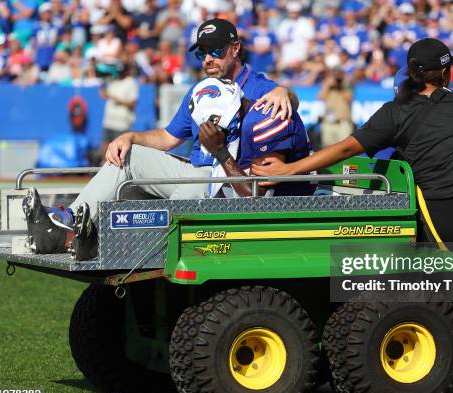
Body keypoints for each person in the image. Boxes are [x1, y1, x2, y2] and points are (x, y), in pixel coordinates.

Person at [252, 37, 453, 341]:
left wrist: (288, 170)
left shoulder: (392, 113)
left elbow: (344, 149)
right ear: (445, 73)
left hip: (441, 221)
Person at [22, 18, 298, 260]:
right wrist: (130, 136)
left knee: (193, 188)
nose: (208, 59)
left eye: (216, 50)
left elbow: (288, 103)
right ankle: (67, 224)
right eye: (202, 53)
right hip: (196, 171)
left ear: (236, 48)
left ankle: (117, 245)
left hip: (226, 183)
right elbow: (167, 138)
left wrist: (286, 92)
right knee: (127, 156)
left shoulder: (261, 87)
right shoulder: (200, 89)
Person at [99, 64, 139, 162]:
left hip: (121, 123)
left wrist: (116, 99)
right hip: (108, 121)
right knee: (105, 148)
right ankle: (103, 170)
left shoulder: (131, 83)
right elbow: (104, 95)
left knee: (119, 151)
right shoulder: (113, 81)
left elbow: (132, 104)